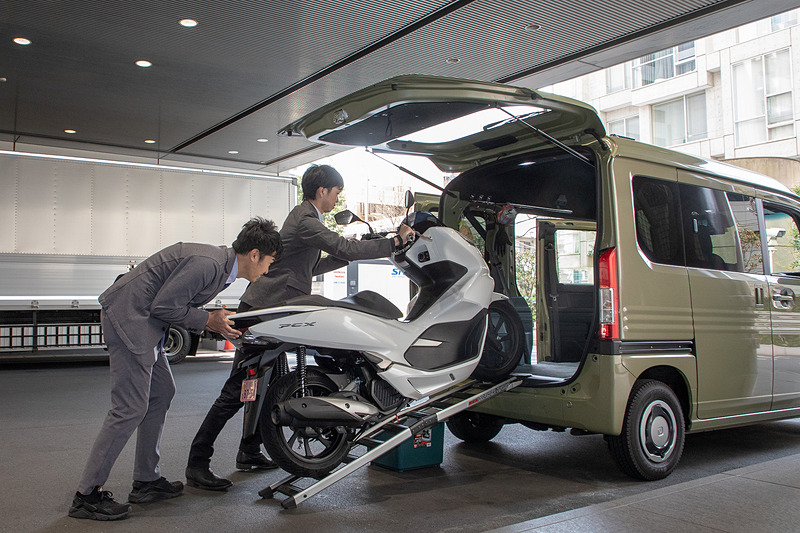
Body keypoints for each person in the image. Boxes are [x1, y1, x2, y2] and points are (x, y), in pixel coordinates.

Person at [185, 164, 412, 490]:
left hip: (274, 308)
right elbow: (343, 247)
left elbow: (312, 265)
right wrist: (392, 243)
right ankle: (198, 461)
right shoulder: (306, 219)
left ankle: (249, 450)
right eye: (336, 192)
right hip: (265, 309)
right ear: (322, 191)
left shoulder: (306, 219)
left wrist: (346, 255)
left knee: (269, 383)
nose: (336, 198)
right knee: (238, 389)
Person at [68, 218, 283, 521]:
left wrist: (214, 323)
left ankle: (146, 481)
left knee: (162, 392)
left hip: (146, 323)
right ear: (255, 254)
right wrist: (208, 320)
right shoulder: (209, 264)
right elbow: (163, 306)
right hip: (131, 319)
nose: (268, 271)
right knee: (129, 408)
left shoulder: (221, 268)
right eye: (270, 262)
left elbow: (173, 305)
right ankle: (86, 496)